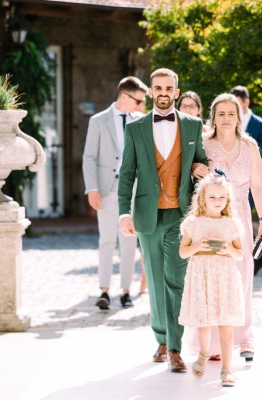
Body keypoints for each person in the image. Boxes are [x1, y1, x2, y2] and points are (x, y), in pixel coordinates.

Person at [118, 68, 208, 373]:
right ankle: (160, 337)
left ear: (177, 92)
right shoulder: (136, 128)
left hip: (180, 214)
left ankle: (174, 347)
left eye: (169, 87)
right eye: (158, 88)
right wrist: (123, 212)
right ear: (152, 92)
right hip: (147, 213)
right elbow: (127, 173)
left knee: (176, 280)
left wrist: (200, 166)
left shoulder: (193, 126)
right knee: (155, 281)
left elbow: (204, 163)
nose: (164, 92)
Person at [199, 93, 262, 362]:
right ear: (214, 117)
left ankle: (244, 339)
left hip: (241, 217)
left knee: (242, 280)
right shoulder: (205, 146)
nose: (226, 118)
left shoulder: (250, 146)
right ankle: (215, 343)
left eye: (231, 113)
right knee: (214, 281)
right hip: (211, 221)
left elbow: (258, 185)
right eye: (221, 114)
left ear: (239, 117)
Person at [82, 76, 148, 310]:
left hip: (132, 190)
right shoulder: (98, 121)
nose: (141, 105)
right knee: (107, 240)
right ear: (124, 97)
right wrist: (91, 189)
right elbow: (89, 157)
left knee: (129, 241)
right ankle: (104, 291)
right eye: (138, 100)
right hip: (107, 189)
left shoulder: (140, 121)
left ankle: (126, 292)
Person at [178, 173, 245, 387]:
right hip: (201, 277)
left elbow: (240, 254)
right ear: (202, 199)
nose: (217, 202)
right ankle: (204, 353)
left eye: (221, 198)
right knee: (204, 322)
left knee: (226, 324)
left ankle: (226, 369)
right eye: (212, 198)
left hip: (224, 278)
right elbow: (183, 252)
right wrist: (197, 246)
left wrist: (228, 250)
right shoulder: (193, 223)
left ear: (228, 200)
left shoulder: (231, 224)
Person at [230, 86, 262, 274]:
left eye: (237, 104)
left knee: (244, 220)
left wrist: (249, 149)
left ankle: (252, 259)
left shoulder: (260, 124)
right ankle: (248, 259)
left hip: (249, 181)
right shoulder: (228, 122)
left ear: (246, 102)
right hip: (229, 180)